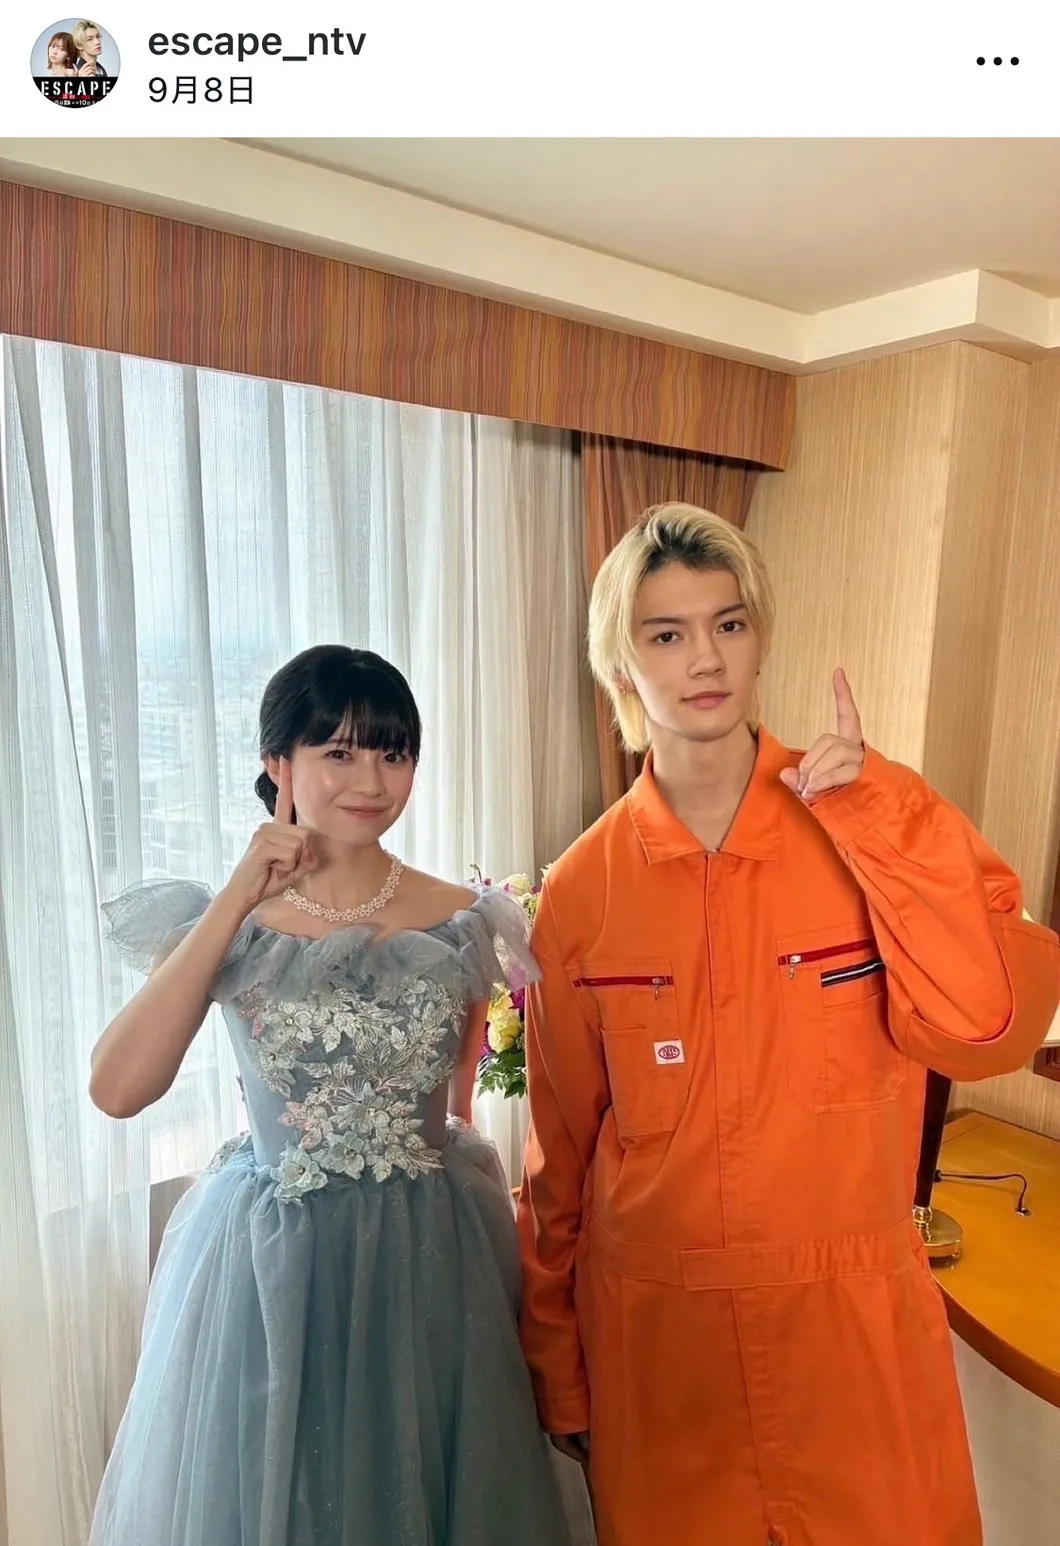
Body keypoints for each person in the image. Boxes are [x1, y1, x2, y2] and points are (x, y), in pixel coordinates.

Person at [516, 504, 1060, 1546]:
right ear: (621, 664)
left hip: (848, 1330)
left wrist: (884, 817)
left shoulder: (864, 825)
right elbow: (562, 1155)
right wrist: (560, 1368)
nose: (704, 659)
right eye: (666, 634)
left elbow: (989, 1025)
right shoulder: (583, 892)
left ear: (760, 637)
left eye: (728, 624)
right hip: (663, 1342)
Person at [88, 645, 578, 1546]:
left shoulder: (461, 920)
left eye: (393, 753)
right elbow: (118, 1089)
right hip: (275, 1265)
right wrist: (237, 896)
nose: (372, 781)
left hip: (431, 1262)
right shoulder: (231, 922)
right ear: (278, 764)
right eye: (339, 752)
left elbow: (457, 1108)